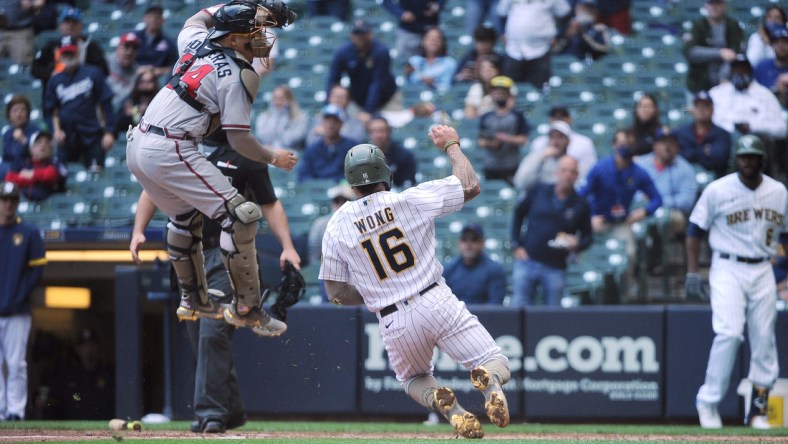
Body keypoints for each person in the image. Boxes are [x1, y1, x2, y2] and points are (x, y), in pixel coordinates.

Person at [320, 126, 511, 438]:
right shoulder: (410, 200)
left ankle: (449, 407)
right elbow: (471, 185)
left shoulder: (337, 225)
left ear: (351, 183)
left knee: (414, 379)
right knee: (495, 361)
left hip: (393, 317)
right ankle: (488, 379)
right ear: (385, 171)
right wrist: (451, 144)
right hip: (435, 298)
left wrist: (372, 294)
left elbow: (335, 292)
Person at [125, 1, 298, 336]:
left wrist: (246, 6)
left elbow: (196, 17)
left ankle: (193, 300)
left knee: (184, 218)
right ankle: (248, 309)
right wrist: (275, 158)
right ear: (232, 39)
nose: (260, 36)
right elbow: (240, 142)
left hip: (138, 143)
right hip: (171, 145)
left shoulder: (194, 43)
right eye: (253, 31)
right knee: (242, 216)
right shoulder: (239, 75)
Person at [130, 130, 302, 434]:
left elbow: (270, 203)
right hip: (190, 254)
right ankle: (231, 410)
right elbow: (150, 190)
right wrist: (138, 230)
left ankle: (210, 413)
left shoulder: (246, 154)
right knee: (202, 341)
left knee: (212, 332)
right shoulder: (182, 148)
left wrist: (287, 246)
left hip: (229, 256)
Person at [686, 135, 788, 429]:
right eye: (743, 157)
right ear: (736, 159)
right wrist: (693, 272)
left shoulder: (778, 191)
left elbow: (785, 234)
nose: (748, 162)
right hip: (727, 265)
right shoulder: (718, 189)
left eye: (753, 157)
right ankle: (708, 402)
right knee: (729, 333)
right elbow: (694, 230)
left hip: (762, 269)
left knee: (764, 338)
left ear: (761, 160)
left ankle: (758, 409)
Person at [579, 129, 663, 301]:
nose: (625, 147)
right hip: (598, 220)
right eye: (622, 144)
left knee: (630, 253)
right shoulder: (600, 168)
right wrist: (588, 218)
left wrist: (644, 211)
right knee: (583, 250)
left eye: (629, 144)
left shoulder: (638, 172)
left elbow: (657, 198)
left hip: (621, 222)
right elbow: (580, 196)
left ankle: (625, 293)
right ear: (614, 145)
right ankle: (588, 291)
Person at [511, 155, 593, 307]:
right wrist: (517, 244)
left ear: (577, 175)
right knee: (518, 309)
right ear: (557, 172)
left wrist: (577, 244)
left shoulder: (581, 204)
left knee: (551, 315)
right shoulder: (538, 190)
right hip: (528, 261)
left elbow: (588, 237)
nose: (567, 175)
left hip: (556, 267)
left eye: (571, 172)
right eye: (564, 170)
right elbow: (518, 214)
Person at [0, 181, 46, 421]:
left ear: (17, 203)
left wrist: (18, 297)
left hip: (17, 311)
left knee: (16, 363)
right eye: (4, 200)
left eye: (12, 200)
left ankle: (15, 411)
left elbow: (36, 272)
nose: (8, 204)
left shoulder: (28, 233)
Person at [43, 36, 115, 172]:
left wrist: (109, 132)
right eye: (65, 53)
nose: (69, 56)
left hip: (92, 133)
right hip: (66, 137)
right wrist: (55, 131)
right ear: (60, 55)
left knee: (96, 173)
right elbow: (49, 110)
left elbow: (106, 104)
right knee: (63, 176)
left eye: (71, 52)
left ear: (78, 52)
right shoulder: (54, 81)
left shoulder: (94, 73)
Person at [634, 129, 698, 275]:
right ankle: (635, 264)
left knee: (663, 220)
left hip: (671, 213)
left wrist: (657, 202)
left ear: (677, 146)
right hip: (641, 211)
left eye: (671, 143)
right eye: (663, 143)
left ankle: (654, 261)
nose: (667, 147)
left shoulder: (684, 168)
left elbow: (687, 201)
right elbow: (631, 191)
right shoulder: (641, 164)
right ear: (655, 145)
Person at [326, 20, 400, 122]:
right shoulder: (344, 51)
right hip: (357, 100)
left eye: (362, 34)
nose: (359, 37)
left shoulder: (381, 51)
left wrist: (368, 111)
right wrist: (328, 106)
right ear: (351, 35)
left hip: (387, 99)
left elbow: (377, 83)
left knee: (387, 129)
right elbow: (333, 79)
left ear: (370, 34)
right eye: (356, 34)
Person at [30, 7, 109, 97]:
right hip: (55, 97)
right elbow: (35, 69)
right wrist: (51, 74)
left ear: (81, 26)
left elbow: (104, 71)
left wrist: (86, 76)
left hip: (85, 98)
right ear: (60, 25)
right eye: (67, 22)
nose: (70, 26)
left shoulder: (91, 47)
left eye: (74, 22)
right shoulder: (51, 46)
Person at [709, 55, 787, 141]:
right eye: (736, 70)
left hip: (756, 142)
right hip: (724, 142)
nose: (740, 73)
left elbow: (781, 129)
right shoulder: (717, 93)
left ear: (750, 72)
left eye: (743, 70)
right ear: (731, 72)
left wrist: (752, 127)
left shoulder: (765, 94)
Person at [497, 0, 571, 88]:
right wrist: (502, 33)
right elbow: (501, 13)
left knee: (539, 90)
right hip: (513, 49)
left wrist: (558, 36)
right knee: (509, 89)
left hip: (541, 49)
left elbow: (565, 13)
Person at [682, 0, 745, 94]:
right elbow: (691, 52)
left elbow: (735, 54)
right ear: (706, 6)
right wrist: (720, 53)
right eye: (711, 3)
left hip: (726, 85)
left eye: (718, 3)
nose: (714, 7)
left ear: (724, 5)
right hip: (698, 85)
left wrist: (724, 76)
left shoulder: (733, 25)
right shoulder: (697, 25)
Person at [476, 75, 529, 184]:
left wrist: (505, 138)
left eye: (502, 91)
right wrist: (491, 143)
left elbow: (523, 139)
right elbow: (480, 141)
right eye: (496, 91)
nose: (499, 94)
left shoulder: (517, 116)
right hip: (491, 165)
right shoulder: (486, 116)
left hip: (511, 165)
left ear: (509, 94)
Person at [525, 105, 597, 184]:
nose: (558, 120)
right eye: (554, 117)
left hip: (573, 189)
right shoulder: (538, 143)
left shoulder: (584, 143)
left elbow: (588, 175)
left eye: (562, 116)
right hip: (543, 190)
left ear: (570, 119)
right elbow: (525, 179)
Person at [442, 223, 506, 305]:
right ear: (459, 243)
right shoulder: (449, 269)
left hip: (483, 317)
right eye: (464, 239)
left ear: (482, 243)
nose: (468, 244)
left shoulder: (494, 270)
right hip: (455, 316)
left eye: (474, 239)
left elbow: (495, 305)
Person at [673, 91, 732, 179]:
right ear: (692, 110)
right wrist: (703, 151)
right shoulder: (680, 132)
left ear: (712, 110)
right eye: (698, 106)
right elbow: (677, 158)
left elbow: (719, 160)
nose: (701, 110)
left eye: (705, 106)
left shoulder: (722, 134)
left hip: (715, 181)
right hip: (684, 179)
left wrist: (690, 153)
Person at [297, 104, 358, 183]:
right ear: (322, 123)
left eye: (335, 121)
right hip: (317, 191)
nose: (330, 125)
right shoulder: (312, 149)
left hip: (342, 190)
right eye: (327, 120)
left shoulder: (352, 147)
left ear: (341, 124)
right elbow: (304, 175)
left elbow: (356, 174)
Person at [4, 130, 67, 202]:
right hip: (23, 204)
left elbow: (51, 174)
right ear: (31, 149)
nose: (43, 145)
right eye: (38, 143)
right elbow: (9, 179)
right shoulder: (24, 163)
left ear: (51, 148)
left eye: (47, 143)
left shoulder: (55, 163)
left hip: (49, 207)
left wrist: (32, 174)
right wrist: (38, 180)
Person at [513, 120, 570, 193]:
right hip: (535, 200)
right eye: (552, 137)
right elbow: (520, 184)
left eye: (560, 137)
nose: (556, 141)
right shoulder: (535, 157)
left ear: (568, 141)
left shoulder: (570, 162)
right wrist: (540, 159)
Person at [365, 116, 417, 189]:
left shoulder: (404, 155)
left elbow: (408, 183)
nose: (378, 135)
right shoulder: (363, 156)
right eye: (373, 131)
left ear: (389, 132)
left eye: (381, 131)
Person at [254, 85, 309, 152]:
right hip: (268, 154)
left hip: (290, 154)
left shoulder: (300, 118)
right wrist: (275, 118)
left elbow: (288, 141)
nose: (277, 102)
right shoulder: (263, 117)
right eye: (275, 98)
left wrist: (283, 119)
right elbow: (263, 138)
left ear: (289, 100)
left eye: (281, 99)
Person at [1, 95, 44, 180]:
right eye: (15, 110)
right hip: (9, 169)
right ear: (9, 115)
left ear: (28, 113)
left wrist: (23, 140)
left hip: (29, 169)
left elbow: (39, 156)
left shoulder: (36, 132)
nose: (19, 114)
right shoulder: (7, 134)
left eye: (22, 110)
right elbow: (6, 158)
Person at [132, 4, 179, 80]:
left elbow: (175, 66)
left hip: (158, 79)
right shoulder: (134, 37)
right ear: (145, 18)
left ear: (162, 20)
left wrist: (159, 71)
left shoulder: (169, 42)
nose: (154, 19)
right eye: (151, 16)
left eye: (157, 17)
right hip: (134, 75)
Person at [405, 27, 457, 93]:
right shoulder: (414, 61)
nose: (433, 40)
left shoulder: (449, 63)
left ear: (442, 43)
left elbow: (447, 88)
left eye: (437, 38)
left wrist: (433, 84)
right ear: (423, 42)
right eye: (429, 37)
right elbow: (407, 85)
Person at [113, 67, 159, 138]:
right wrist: (128, 115)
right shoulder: (130, 100)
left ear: (155, 83)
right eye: (142, 81)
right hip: (130, 136)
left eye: (149, 81)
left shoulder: (158, 101)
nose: (146, 84)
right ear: (137, 84)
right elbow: (118, 124)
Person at [463, 54, 509, 119]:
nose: (487, 71)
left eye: (491, 67)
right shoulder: (476, 87)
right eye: (483, 68)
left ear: (498, 70)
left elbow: (509, 109)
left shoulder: (507, 84)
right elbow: (469, 112)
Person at [106, 32, 141, 113]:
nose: (129, 52)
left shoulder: (137, 71)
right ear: (118, 48)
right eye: (126, 47)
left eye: (134, 48)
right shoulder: (105, 62)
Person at [754, 24, 788, 106]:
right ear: (772, 45)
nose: (781, 45)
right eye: (777, 42)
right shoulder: (762, 67)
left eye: (785, 42)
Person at [0, 0, 38, 65]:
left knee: (21, 66)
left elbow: (40, 2)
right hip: (1, 30)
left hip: (20, 32)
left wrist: (31, 4)